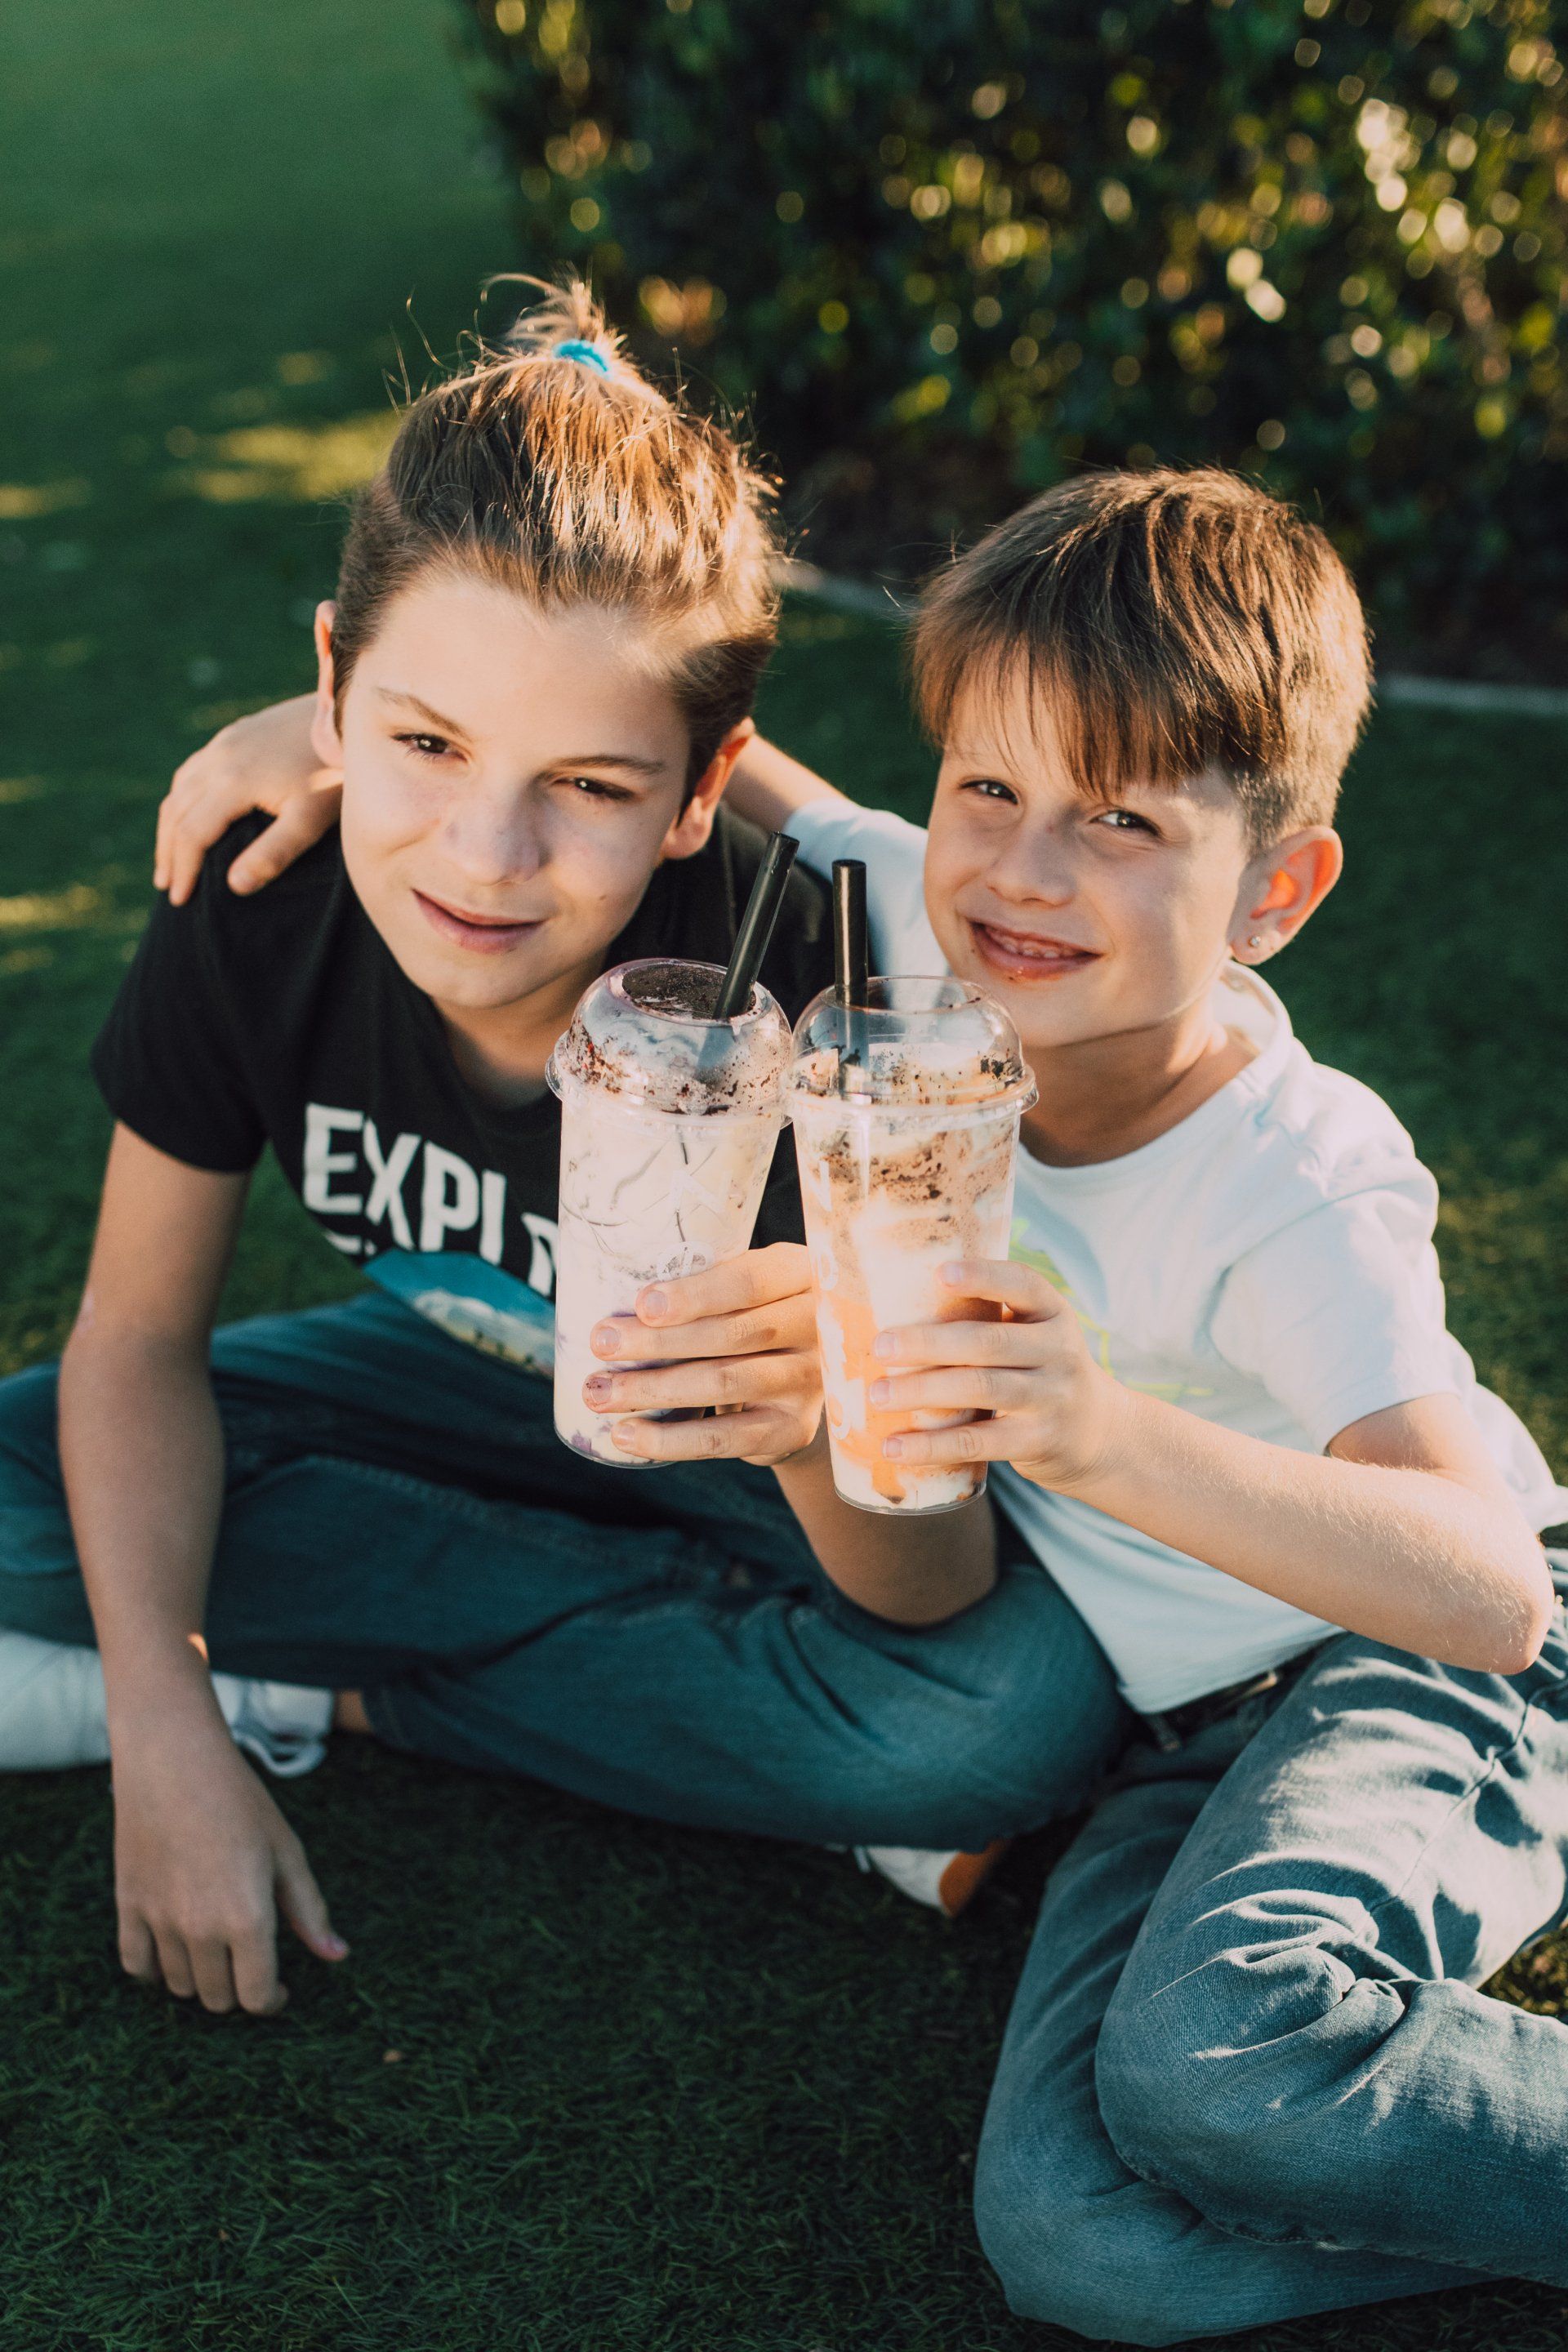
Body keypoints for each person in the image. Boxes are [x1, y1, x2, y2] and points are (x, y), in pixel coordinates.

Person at [163, 466, 1568, 2337]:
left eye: (1123, 820)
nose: (1025, 869)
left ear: (1278, 893)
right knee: (1080, 2250)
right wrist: (323, 726)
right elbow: (715, 750)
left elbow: (1491, 1591)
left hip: (1410, 1677)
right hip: (1172, 1746)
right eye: (990, 786)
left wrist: (1096, 1433)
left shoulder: (1292, 1177)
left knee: (1214, 2066)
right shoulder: (911, 911)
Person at [0, 286, 1125, 2025]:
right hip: (469, 1373)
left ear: (699, 791)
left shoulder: (822, 999)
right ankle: (502, 1682)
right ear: (327, 693)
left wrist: (822, 1429)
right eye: (424, 744)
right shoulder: (262, 895)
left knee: (1005, 1715)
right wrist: (165, 1720)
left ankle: (348, 1691)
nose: (484, 852)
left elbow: (934, 1580)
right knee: (41, 1470)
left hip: (744, 1471)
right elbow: (135, 1340)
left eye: (591, 786)